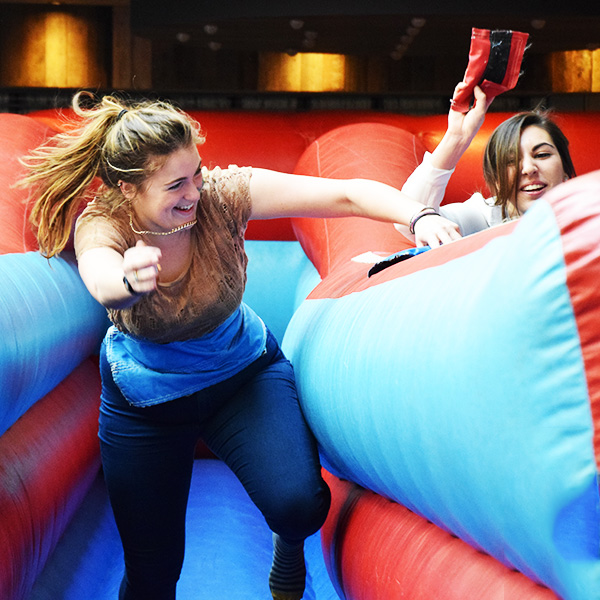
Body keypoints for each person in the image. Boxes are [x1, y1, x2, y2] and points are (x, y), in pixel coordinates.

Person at [20, 92, 461, 600]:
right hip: (146, 398)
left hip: (241, 374)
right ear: (128, 188)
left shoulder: (221, 196)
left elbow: (345, 195)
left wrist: (419, 215)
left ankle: (287, 544)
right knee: (152, 573)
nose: (194, 191)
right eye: (176, 184)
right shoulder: (105, 222)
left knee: (300, 505)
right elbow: (101, 277)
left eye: (197, 173)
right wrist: (127, 281)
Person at [395, 82, 576, 238]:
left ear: (565, 170)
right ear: (496, 181)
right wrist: (456, 139)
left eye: (542, 155)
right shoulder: (484, 217)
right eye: (511, 161)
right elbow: (409, 223)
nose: (529, 169)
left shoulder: (586, 211)